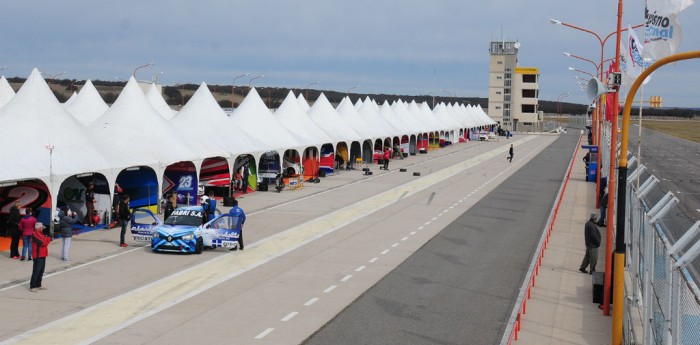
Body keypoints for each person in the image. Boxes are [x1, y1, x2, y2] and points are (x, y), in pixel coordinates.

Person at [29, 222, 51, 292]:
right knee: (36, 271)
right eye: (42, 228)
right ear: (39, 228)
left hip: (43, 254)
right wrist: (47, 240)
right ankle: (33, 286)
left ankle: (38, 285)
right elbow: (42, 243)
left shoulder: (41, 234)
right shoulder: (34, 234)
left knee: (41, 270)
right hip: (38, 255)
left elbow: (46, 239)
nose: (42, 229)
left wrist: (46, 240)